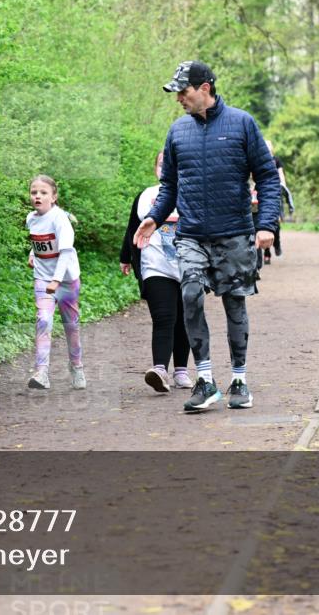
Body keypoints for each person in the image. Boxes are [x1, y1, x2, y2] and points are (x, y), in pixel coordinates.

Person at [134, 60, 281, 412]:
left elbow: (267, 177)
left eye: (182, 92)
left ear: (205, 88)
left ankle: (240, 380)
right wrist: (153, 218)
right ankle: (204, 379)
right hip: (191, 234)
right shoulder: (177, 132)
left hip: (234, 233)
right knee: (189, 295)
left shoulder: (242, 123)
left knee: (234, 304)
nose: (178, 99)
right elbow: (169, 185)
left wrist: (267, 224)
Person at [120, 150, 194, 392]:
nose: (166, 167)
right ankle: (160, 370)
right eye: (162, 164)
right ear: (155, 169)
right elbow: (133, 228)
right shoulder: (145, 196)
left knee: (184, 320)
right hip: (155, 265)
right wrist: (125, 257)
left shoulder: (192, 194)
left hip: (188, 266)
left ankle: (181, 371)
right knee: (163, 317)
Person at [26, 175, 86, 390]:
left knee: (71, 326)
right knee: (43, 320)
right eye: (34, 192)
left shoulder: (60, 219)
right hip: (42, 278)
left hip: (66, 280)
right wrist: (33, 252)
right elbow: (40, 239)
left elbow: (66, 251)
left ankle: (77, 366)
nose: (38, 196)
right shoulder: (31, 218)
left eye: (43, 193)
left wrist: (56, 280)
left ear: (53, 197)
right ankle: (42, 372)